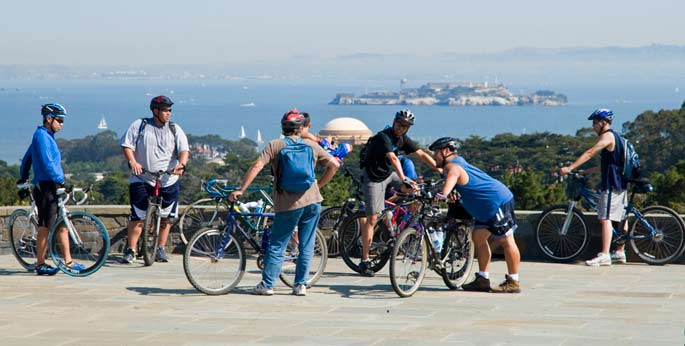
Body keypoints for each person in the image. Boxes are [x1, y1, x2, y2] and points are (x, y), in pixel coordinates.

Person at [229, 109, 339, 296]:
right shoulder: (311, 146)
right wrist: (318, 185)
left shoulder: (275, 145)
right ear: (300, 128)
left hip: (288, 202)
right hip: (312, 201)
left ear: (283, 127)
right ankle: (300, 285)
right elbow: (334, 165)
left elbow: (257, 166)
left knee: (278, 243)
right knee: (307, 244)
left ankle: (267, 285)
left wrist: (241, 189)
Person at [430, 137, 521, 293]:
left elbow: (451, 180)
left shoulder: (453, 167)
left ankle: (513, 281)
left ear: (445, 151)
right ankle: (482, 279)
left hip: (496, 202)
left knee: (506, 240)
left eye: (436, 152)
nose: (434, 156)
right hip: (483, 209)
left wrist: (441, 195)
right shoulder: (459, 162)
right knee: (478, 237)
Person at [357, 109, 439, 276]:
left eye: (405, 126)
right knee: (372, 217)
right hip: (373, 177)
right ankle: (364, 260)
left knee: (415, 189)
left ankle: (402, 222)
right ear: (394, 121)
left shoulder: (402, 139)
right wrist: (403, 178)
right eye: (399, 124)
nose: (401, 128)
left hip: (388, 174)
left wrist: (440, 169)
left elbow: (421, 154)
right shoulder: (384, 136)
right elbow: (393, 159)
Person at [119, 95, 189, 264]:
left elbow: (184, 150)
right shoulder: (140, 125)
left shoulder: (175, 129)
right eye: (165, 110)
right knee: (138, 216)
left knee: (166, 217)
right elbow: (127, 145)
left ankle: (160, 249)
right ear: (155, 111)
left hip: (168, 179)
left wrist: (181, 164)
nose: (168, 113)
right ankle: (131, 249)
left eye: (170, 110)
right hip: (142, 176)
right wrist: (133, 161)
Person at [18, 103, 84, 275]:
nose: (61, 124)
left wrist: (23, 175)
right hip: (46, 186)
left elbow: (27, 158)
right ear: (49, 119)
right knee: (45, 226)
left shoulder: (45, 135)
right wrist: (61, 181)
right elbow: (47, 164)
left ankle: (68, 262)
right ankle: (40, 264)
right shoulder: (41, 136)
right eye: (59, 120)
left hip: (52, 185)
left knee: (61, 223)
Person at [560, 108, 627, 266]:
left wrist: (569, 167)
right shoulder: (618, 137)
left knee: (605, 218)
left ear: (603, 122)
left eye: (595, 123)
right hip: (621, 182)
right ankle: (620, 251)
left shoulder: (607, 136)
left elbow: (590, 153)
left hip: (611, 184)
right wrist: (586, 171)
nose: (593, 126)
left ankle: (604, 255)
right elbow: (608, 166)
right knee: (622, 216)